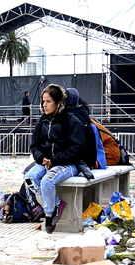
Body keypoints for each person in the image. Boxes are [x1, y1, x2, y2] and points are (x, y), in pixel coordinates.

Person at [25, 84, 90, 234]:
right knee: (30, 178)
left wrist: (54, 160)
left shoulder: (71, 121)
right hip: (46, 161)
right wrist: (43, 159)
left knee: (48, 181)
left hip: (69, 162)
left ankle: (49, 215)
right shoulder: (42, 121)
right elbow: (35, 145)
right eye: (43, 101)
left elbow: (76, 148)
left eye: (48, 101)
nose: (44, 105)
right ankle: (56, 204)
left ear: (58, 102)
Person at [65, 88, 98, 173]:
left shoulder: (64, 116)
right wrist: (91, 162)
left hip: (70, 162)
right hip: (85, 161)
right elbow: (91, 140)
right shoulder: (84, 114)